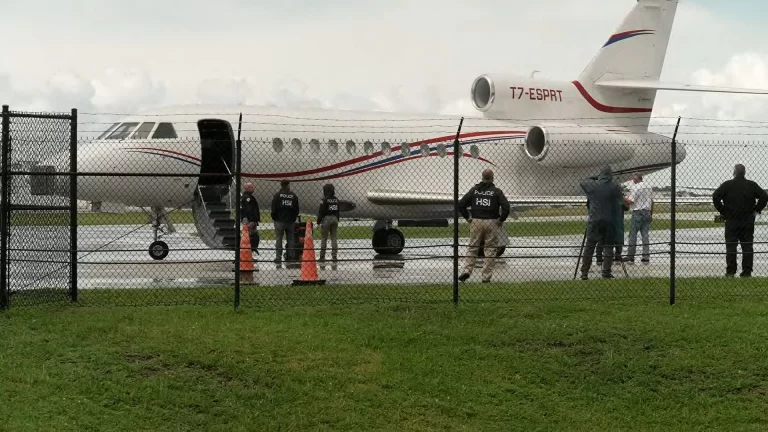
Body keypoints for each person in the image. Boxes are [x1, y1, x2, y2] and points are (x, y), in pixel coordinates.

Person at [712, 164, 768, 278]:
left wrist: (723, 210)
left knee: (731, 246)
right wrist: (756, 210)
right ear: (744, 172)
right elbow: (764, 196)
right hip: (747, 219)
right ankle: (747, 271)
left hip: (731, 220)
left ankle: (730, 271)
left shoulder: (727, 185)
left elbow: (715, 196)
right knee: (747, 246)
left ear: (734, 172)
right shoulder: (751, 185)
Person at [457, 169, 510, 283]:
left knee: (472, 247)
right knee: (490, 249)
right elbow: (506, 207)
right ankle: (486, 277)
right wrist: (501, 219)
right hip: (491, 221)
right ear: (492, 178)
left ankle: (466, 270)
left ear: (482, 177)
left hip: (476, 220)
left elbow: (461, 204)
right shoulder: (496, 192)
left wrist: (468, 217)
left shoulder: (475, 190)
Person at [579, 165, 623, 280]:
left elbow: (582, 181)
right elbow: (621, 202)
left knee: (590, 246)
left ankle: (584, 272)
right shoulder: (615, 187)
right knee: (608, 247)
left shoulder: (592, 185)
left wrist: (596, 178)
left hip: (594, 220)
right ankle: (606, 272)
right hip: (609, 220)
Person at [623, 174, 654, 264]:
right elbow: (652, 202)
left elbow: (630, 201)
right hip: (647, 212)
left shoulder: (636, 187)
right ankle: (645, 257)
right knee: (645, 235)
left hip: (637, 212)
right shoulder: (649, 187)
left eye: (634, 178)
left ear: (637, 179)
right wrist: (651, 214)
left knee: (633, 235)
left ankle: (631, 257)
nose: (632, 180)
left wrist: (621, 197)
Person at [271, 180, 300, 264]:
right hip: (290, 220)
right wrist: (293, 217)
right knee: (291, 239)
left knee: (279, 239)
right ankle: (291, 257)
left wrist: (275, 218)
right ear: (288, 185)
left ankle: (278, 257)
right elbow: (297, 209)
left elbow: (273, 209)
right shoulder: (293, 196)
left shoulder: (277, 195)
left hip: (279, 220)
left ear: (281, 185)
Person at [596, 195, 628, 265]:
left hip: (606, 221)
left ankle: (599, 256)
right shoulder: (619, 199)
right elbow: (626, 207)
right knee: (618, 239)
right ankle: (617, 255)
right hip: (617, 222)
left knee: (602, 239)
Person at [317, 183, 340, 269]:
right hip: (334, 218)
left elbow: (321, 212)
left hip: (327, 219)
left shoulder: (324, 200)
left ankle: (322, 256)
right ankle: (334, 256)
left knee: (324, 238)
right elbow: (338, 210)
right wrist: (337, 218)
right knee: (334, 237)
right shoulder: (336, 199)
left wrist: (318, 221)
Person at [240, 182, 260, 255]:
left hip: (246, 218)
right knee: (253, 235)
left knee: (251, 235)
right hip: (249, 219)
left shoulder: (245, 197)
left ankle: (250, 251)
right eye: (251, 187)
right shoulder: (248, 198)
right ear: (247, 188)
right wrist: (252, 220)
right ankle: (251, 251)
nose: (253, 188)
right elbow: (249, 209)